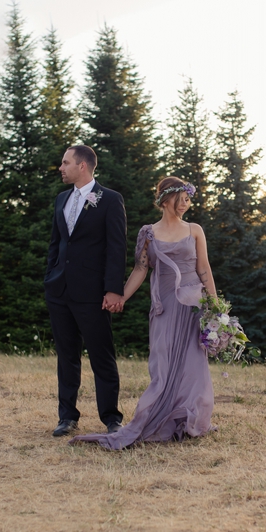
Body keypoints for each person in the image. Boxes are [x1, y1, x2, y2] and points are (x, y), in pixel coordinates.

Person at [70, 176, 216, 449]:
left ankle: (188, 420)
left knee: (193, 366)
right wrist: (120, 296)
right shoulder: (149, 233)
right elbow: (140, 269)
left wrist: (216, 309)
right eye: (181, 198)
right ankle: (158, 418)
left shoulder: (194, 230)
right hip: (165, 306)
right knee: (162, 366)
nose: (186, 203)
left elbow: (204, 270)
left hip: (193, 306)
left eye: (188, 198)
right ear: (165, 199)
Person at [44, 145, 126, 437]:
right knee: (66, 357)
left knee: (102, 355)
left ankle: (112, 418)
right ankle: (67, 417)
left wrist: (114, 290)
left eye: (65, 162)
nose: (60, 167)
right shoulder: (61, 199)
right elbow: (57, 243)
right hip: (59, 291)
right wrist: (50, 276)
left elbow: (117, 248)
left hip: (93, 293)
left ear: (82, 166)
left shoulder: (110, 200)